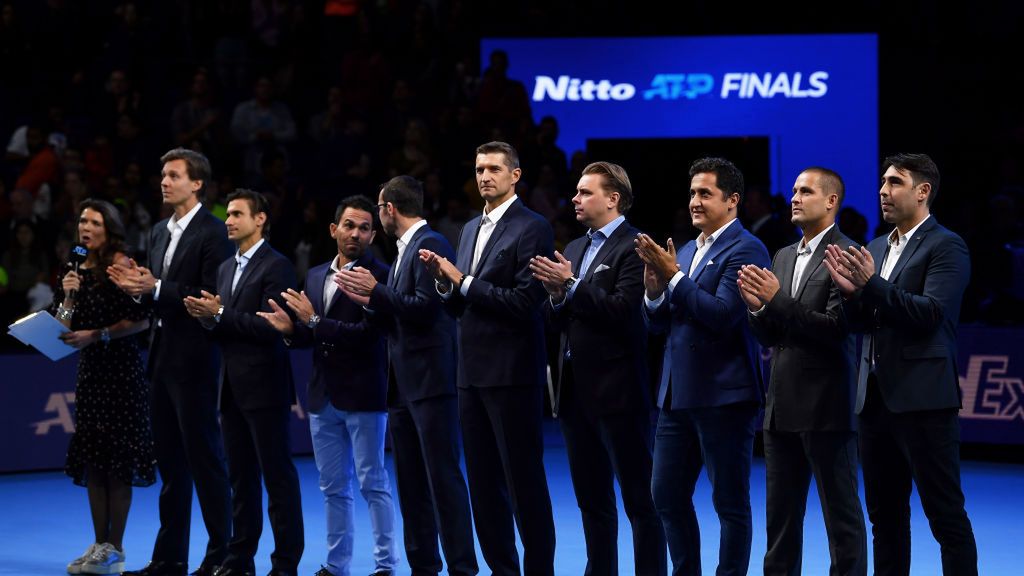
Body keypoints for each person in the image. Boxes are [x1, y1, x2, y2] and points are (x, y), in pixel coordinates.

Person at [824, 153, 977, 575]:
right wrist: (852, 295)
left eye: (894, 183)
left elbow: (929, 314)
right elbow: (862, 323)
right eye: (882, 183)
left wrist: (869, 286)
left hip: (924, 402)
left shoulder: (947, 245)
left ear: (922, 191)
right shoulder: (875, 247)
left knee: (945, 517)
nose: (882, 192)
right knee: (885, 520)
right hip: (874, 403)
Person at [419, 141, 556, 575]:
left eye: (494, 168)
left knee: (524, 486)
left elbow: (523, 303)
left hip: (513, 374)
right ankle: (502, 570)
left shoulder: (533, 227)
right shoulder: (466, 230)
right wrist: (445, 285)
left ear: (515, 175)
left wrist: (463, 282)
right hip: (470, 376)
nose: (484, 176)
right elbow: (461, 303)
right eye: (479, 168)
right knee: (482, 487)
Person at [334, 176, 477, 576]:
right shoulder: (405, 249)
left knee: (443, 482)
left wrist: (376, 292)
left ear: (388, 209)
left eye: (378, 210)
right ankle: (424, 568)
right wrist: (369, 301)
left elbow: (426, 309)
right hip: (404, 386)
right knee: (412, 487)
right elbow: (399, 311)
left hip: (431, 384)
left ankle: (462, 568)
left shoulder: (430, 244)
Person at [529, 161, 666, 576]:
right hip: (574, 394)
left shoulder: (637, 245)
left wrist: (570, 287)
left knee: (639, 501)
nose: (575, 198)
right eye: (576, 192)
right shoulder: (572, 249)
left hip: (620, 393)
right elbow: (558, 321)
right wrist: (555, 297)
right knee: (592, 501)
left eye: (585, 192)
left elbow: (627, 314)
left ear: (613, 199)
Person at [635, 156, 769, 576]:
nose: (694, 201)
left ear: (732, 201)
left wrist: (673, 277)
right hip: (676, 396)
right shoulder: (689, 249)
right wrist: (654, 292)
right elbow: (659, 323)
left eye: (705, 193)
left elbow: (723, 314)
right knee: (666, 497)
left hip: (724, 397)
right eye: (692, 193)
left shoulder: (748, 247)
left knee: (729, 503)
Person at [108, 148, 234, 576]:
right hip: (161, 359)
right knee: (172, 467)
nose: (164, 181)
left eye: (173, 175)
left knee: (206, 462)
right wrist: (137, 288)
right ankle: (169, 558)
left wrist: (157, 287)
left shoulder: (215, 233)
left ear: (196, 183)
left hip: (197, 360)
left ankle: (222, 555)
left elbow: (206, 296)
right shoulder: (160, 230)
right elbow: (157, 291)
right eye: (163, 174)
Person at [259, 195, 399, 576]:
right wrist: (292, 331)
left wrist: (315, 323)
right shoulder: (317, 274)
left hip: (366, 395)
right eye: (349, 225)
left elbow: (370, 336)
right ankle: (337, 566)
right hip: (323, 397)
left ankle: (385, 564)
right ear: (333, 229)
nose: (356, 233)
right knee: (333, 487)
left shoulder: (382, 276)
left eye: (365, 228)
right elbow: (311, 335)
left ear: (373, 235)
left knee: (373, 483)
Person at [737, 167, 867, 575]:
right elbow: (771, 335)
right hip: (780, 408)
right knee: (781, 522)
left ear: (831, 202)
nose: (794, 197)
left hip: (826, 408)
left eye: (805, 191)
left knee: (841, 522)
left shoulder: (847, 254)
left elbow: (834, 331)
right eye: (793, 190)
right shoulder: (783, 255)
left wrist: (775, 301)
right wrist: (757, 308)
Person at [183, 189, 303, 576]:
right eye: (227, 215)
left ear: (260, 219)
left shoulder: (277, 265)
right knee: (241, 480)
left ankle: (284, 564)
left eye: (236, 214)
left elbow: (272, 327)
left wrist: (219, 314)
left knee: (277, 479)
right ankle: (240, 560)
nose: (228, 221)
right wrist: (207, 320)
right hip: (231, 388)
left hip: (266, 388)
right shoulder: (224, 267)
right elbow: (227, 329)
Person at [55, 199, 154, 575]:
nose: (85, 227)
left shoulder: (122, 265)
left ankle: (116, 549)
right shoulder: (75, 266)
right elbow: (63, 322)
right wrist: (67, 296)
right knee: (95, 463)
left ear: (108, 228)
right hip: (91, 377)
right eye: (82, 220)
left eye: (94, 222)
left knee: (117, 464)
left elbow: (142, 320)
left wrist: (98, 335)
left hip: (122, 375)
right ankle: (100, 545)